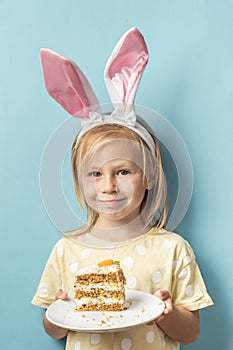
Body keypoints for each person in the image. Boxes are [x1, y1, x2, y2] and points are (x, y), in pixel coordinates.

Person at [32, 28, 213, 350]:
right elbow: (53, 330)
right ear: (80, 181)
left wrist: (166, 313)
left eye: (124, 171)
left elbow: (191, 333)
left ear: (150, 176)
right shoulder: (67, 248)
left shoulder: (173, 249)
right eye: (95, 174)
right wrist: (58, 311)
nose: (109, 186)